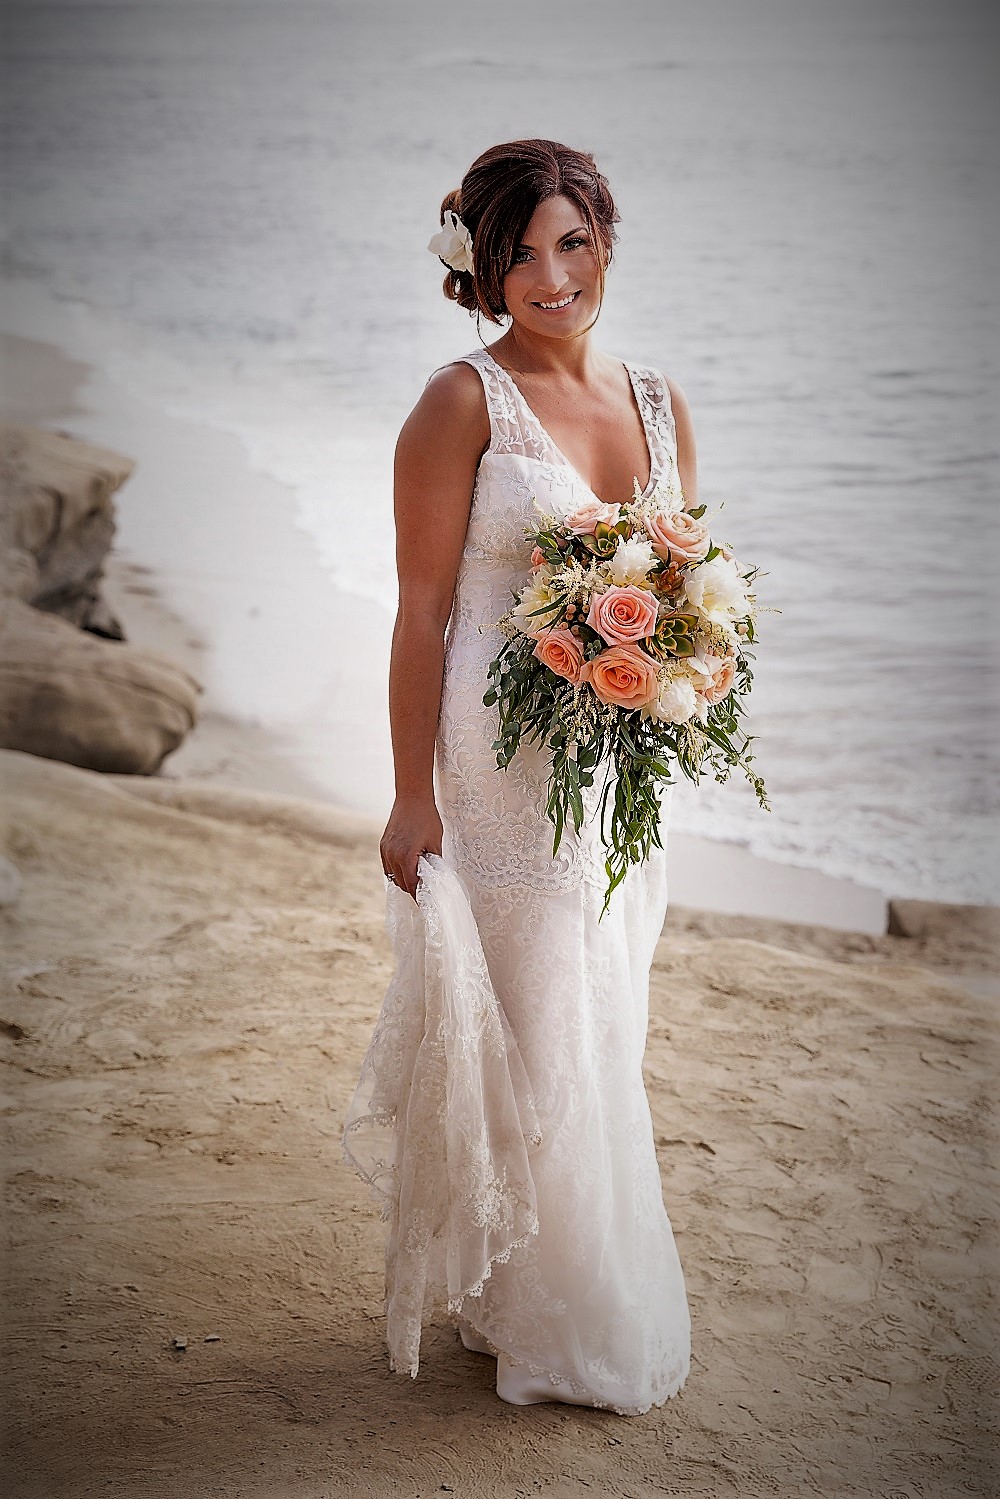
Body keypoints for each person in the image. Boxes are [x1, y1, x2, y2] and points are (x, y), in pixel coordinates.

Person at [343, 138, 692, 1413]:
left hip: (615, 761)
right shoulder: (458, 401)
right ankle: (545, 1309)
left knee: (602, 1009)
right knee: (536, 1010)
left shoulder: (658, 400)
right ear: (480, 266)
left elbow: (677, 581)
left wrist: (683, 675)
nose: (550, 277)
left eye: (573, 244)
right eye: (520, 253)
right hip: (497, 765)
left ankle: (516, 1285)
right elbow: (422, 609)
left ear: (606, 239)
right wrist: (407, 792)